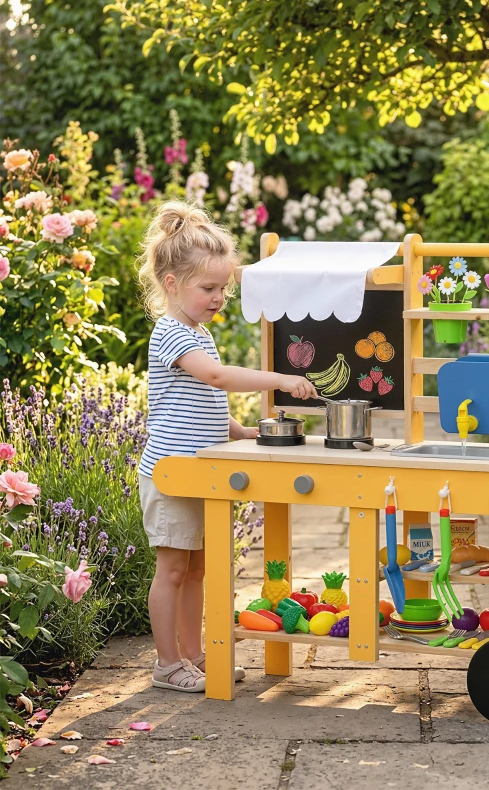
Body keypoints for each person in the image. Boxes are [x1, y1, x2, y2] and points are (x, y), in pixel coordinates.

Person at [136, 200, 316, 692]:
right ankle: (167, 664)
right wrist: (279, 378)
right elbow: (215, 378)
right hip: (171, 473)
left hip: (199, 470)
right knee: (172, 569)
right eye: (209, 288)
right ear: (172, 284)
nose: (219, 298)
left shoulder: (198, 334)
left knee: (196, 570)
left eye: (224, 288)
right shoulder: (172, 334)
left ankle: (195, 654)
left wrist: (242, 432)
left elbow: (201, 403)